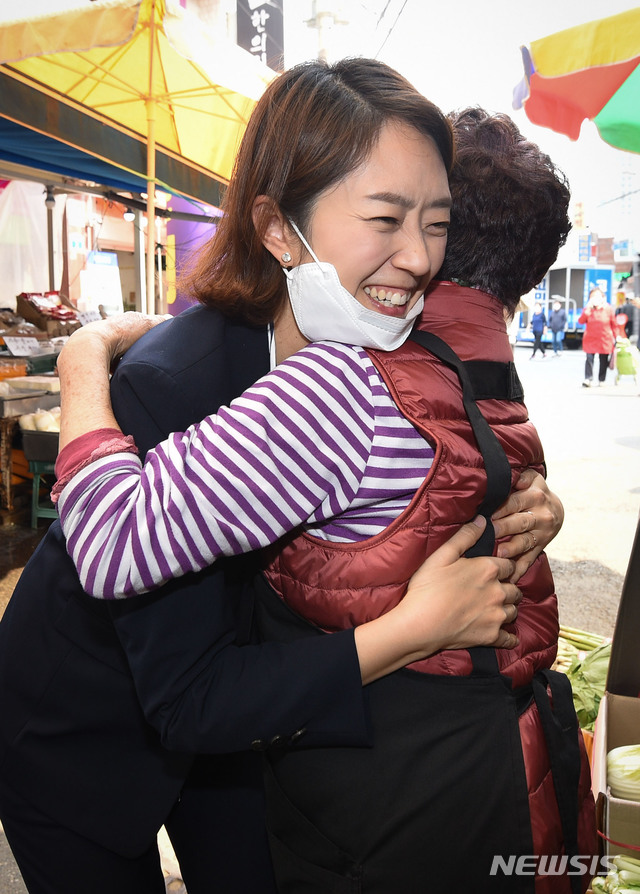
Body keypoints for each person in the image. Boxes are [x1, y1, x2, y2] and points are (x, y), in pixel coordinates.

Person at [0, 59, 558, 894]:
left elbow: (431, 469)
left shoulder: (382, 356)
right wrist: (83, 355)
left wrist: (519, 502)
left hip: (256, 719)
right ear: (277, 227)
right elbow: (183, 683)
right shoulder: (173, 383)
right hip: (93, 729)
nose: (416, 257)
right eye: (384, 217)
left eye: (436, 223)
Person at [579, 287, 617, 387]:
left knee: (603, 360)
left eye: (597, 296)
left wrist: (617, 337)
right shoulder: (588, 309)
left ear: (602, 297)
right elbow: (581, 321)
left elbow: (614, 324)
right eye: (593, 296)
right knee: (589, 359)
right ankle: (588, 379)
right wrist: (587, 310)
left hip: (604, 339)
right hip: (590, 339)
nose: (595, 298)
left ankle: (602, 379)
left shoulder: (608, 308)